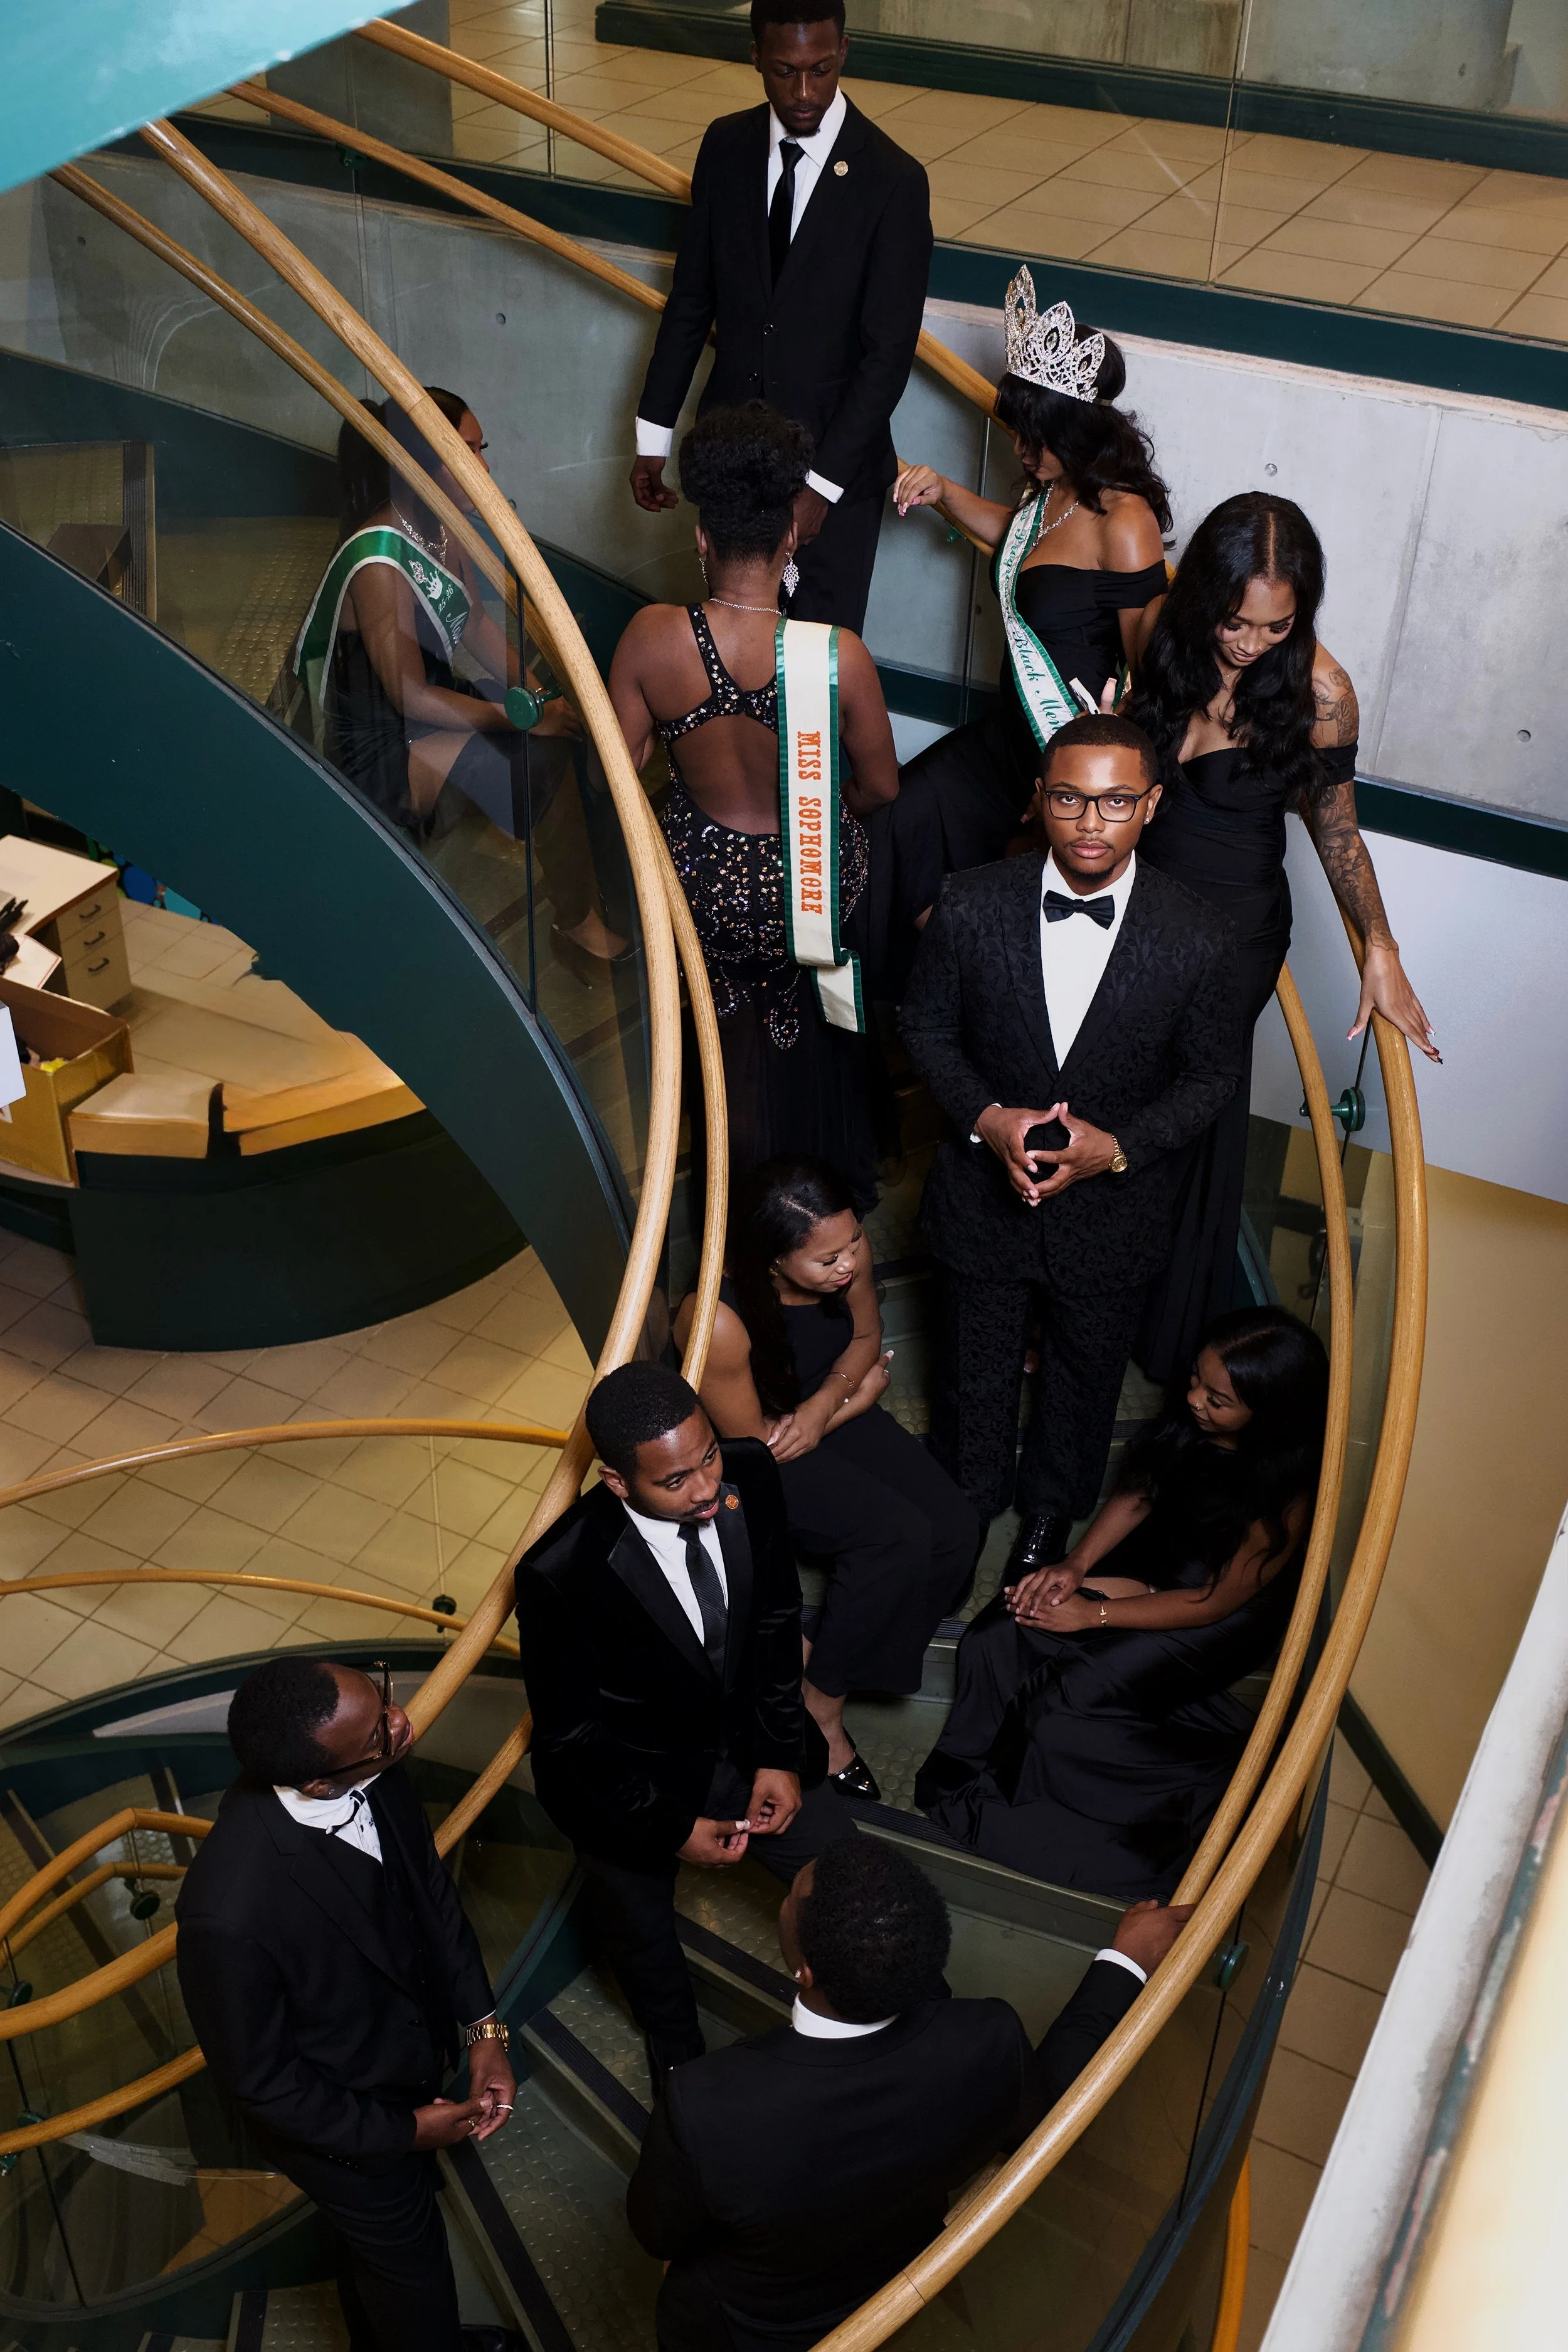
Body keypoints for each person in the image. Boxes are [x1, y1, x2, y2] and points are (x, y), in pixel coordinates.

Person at [900, 712, 1242, 1584]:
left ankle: (1050, 1515)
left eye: (1117, 801)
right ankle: (967, 1506)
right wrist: (987, 1118)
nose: (1092, 822)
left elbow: (1209, 1080)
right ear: (1040, 799)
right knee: (973, 1371)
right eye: (1071, 799)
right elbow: (927, 1027)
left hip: (1114, 1213)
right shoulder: (972, 901)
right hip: (983, 1199)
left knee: (1086, 1381)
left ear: (1152, 805)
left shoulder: (1200, 935)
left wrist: (1118, 1148)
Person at [627, 1835, 1190, 2352]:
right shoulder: (988, 2040)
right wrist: (1126, 1963)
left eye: (793, 1898)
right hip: (896, 2279)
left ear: (805, 1969)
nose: (788, 1893)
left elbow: (658, 2234)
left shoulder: (706, 2103)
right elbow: (1052, 2108)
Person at [1128, 490, 1438, 1380]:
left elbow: (1337, 831)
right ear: (1203, 598)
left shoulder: (1321, 690)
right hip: (1139, 903)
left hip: (1232, 934)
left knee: (1182, 1125)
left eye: (1276, 625)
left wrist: (1381, 944)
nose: (1251, 643)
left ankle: (1150, 1323)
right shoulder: (1160, 626)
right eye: (1235, 620)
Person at [513, 1362, 857, 2092]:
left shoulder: (749, 1471)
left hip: (749, 1744)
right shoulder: (558, 1572)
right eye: (675, 1482)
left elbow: (770, 1620)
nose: (706, 1489)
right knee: (641, 1937)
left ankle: (872, 2009)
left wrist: (776, 1757)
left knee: (849, 1879)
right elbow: (571, 1739)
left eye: (706, 1458)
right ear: (616, 1482)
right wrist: (671, 1826)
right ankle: (676, 2056)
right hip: (633, 1782)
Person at [916, 1306, 1330, 1899]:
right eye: (1195, 1381)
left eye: (1218, 1400)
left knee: (1062, 1709)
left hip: (1217, 1616)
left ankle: (1221, 1780)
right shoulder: (1196, 1422)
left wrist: (1093, 1613)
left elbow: (1212, 1601)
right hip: (1158, 1567)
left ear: (1269, 1415)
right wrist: (1075, 1567)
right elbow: (1140, 1493)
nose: (1194, 1401)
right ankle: (982, 1766)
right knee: (1003, 1626)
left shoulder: (1286, 1491)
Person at [174, 1658, 519, 2352]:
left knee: (383, 2264)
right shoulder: (226, 1914)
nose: (402, 1720)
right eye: (382, 1727)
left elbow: (431, 1901)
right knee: (412, 2272)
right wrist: (404, 2132)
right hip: (343, 2128)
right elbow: (264, 2088)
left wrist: (486, 2031)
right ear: (319, 1782)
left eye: (383, 1695)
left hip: (405, 2066)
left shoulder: (379, 1772)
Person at [611, 402, 898, 1209]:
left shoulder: (651, 637)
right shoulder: (837, 656)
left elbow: (622, 768)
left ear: (701, 539)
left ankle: (726, 1190)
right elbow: (882, 790)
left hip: (699, 892)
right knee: (812, 1020)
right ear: (792, 539)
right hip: (808, 890)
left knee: (720, 1036)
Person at [870, 272, 1169, 991]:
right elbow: (1020, 546)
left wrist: (1104, 755)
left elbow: (1152, 664)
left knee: (1029, 921)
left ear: (1077, 429)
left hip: (1064, 754)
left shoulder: (1126, 521)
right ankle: (941, 997)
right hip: (1008, 740)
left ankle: (976, 997)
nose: (1020, 452)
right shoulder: (1051, 495)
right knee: (894, 830)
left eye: (1035, 438)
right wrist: (942, 493)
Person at [676, 1155, 977, 1801]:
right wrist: (857, 1404)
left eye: (854, 1243)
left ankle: (841, 1643)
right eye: (826, 1261)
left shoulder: (844, 1254)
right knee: (893, 1537)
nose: (847, 1266)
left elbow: (865, 1337)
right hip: (766, 1451)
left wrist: (827, 1407)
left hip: (820, 1409)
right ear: (771, 1261)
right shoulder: (718, 1320)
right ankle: (820, 1702)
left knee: (954, 1528)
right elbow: (753, 1450)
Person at [295, 388, 625, 977]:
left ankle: (599, 889)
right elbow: (408, 696)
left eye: (481, 448)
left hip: (426, 718)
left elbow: (472, 620)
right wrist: (523, 717)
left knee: (568, 726)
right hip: (381, 752)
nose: (485, 467)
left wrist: (540, 698)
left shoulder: (441, 530)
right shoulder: (378, 558)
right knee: (536, 760)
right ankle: (579, 928)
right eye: (466, 451)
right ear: (423, 463)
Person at [628, 0, 933, 634]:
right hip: (731, 460)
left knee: (814, 667)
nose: (802, 92)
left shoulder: (893, 180)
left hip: (835, 469)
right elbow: (690, 300)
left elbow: (887, 357)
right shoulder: (724, 145)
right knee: (727, 650)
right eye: (783, 71)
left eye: (820, 70)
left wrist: (821, 489)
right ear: (755, 60)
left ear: (843, 50)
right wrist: (652, 437)